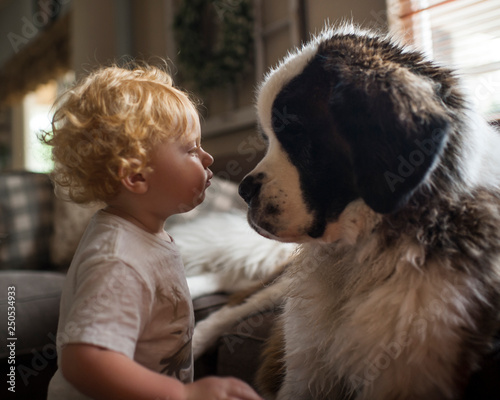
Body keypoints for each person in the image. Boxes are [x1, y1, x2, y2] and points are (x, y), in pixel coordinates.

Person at [43, 63, 263, 400]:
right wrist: (184, 395)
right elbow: (83, 360)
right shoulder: (118, 259)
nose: (207, 158)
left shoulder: (144, 234)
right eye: (191, 149)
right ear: (136, 177)